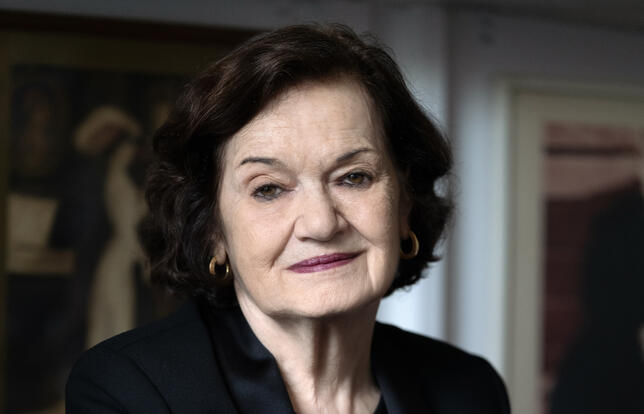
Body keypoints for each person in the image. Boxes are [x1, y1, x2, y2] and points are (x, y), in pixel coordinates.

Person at [66, 23, 510, 413]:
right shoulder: (130, 390)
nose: (321, 224)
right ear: (213, 231)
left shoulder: (470, 390)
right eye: (269, 188)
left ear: (404, 204)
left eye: (354, 177)